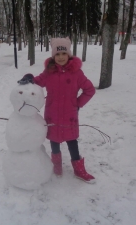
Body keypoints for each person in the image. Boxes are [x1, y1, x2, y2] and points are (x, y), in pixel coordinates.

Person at [18, 37, 96, 183]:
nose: (61, 57)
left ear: (69, 55)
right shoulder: (49, 72)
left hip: (70, 115)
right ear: (54, 56)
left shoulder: (76, 73)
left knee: (72, 141)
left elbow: (89, 90)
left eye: (64, 54)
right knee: (54, 141)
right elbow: (38, 81)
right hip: (52, 113)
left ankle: (79, 170)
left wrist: (78, 104)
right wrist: (29, 78)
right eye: (57, 54)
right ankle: (57, 166)